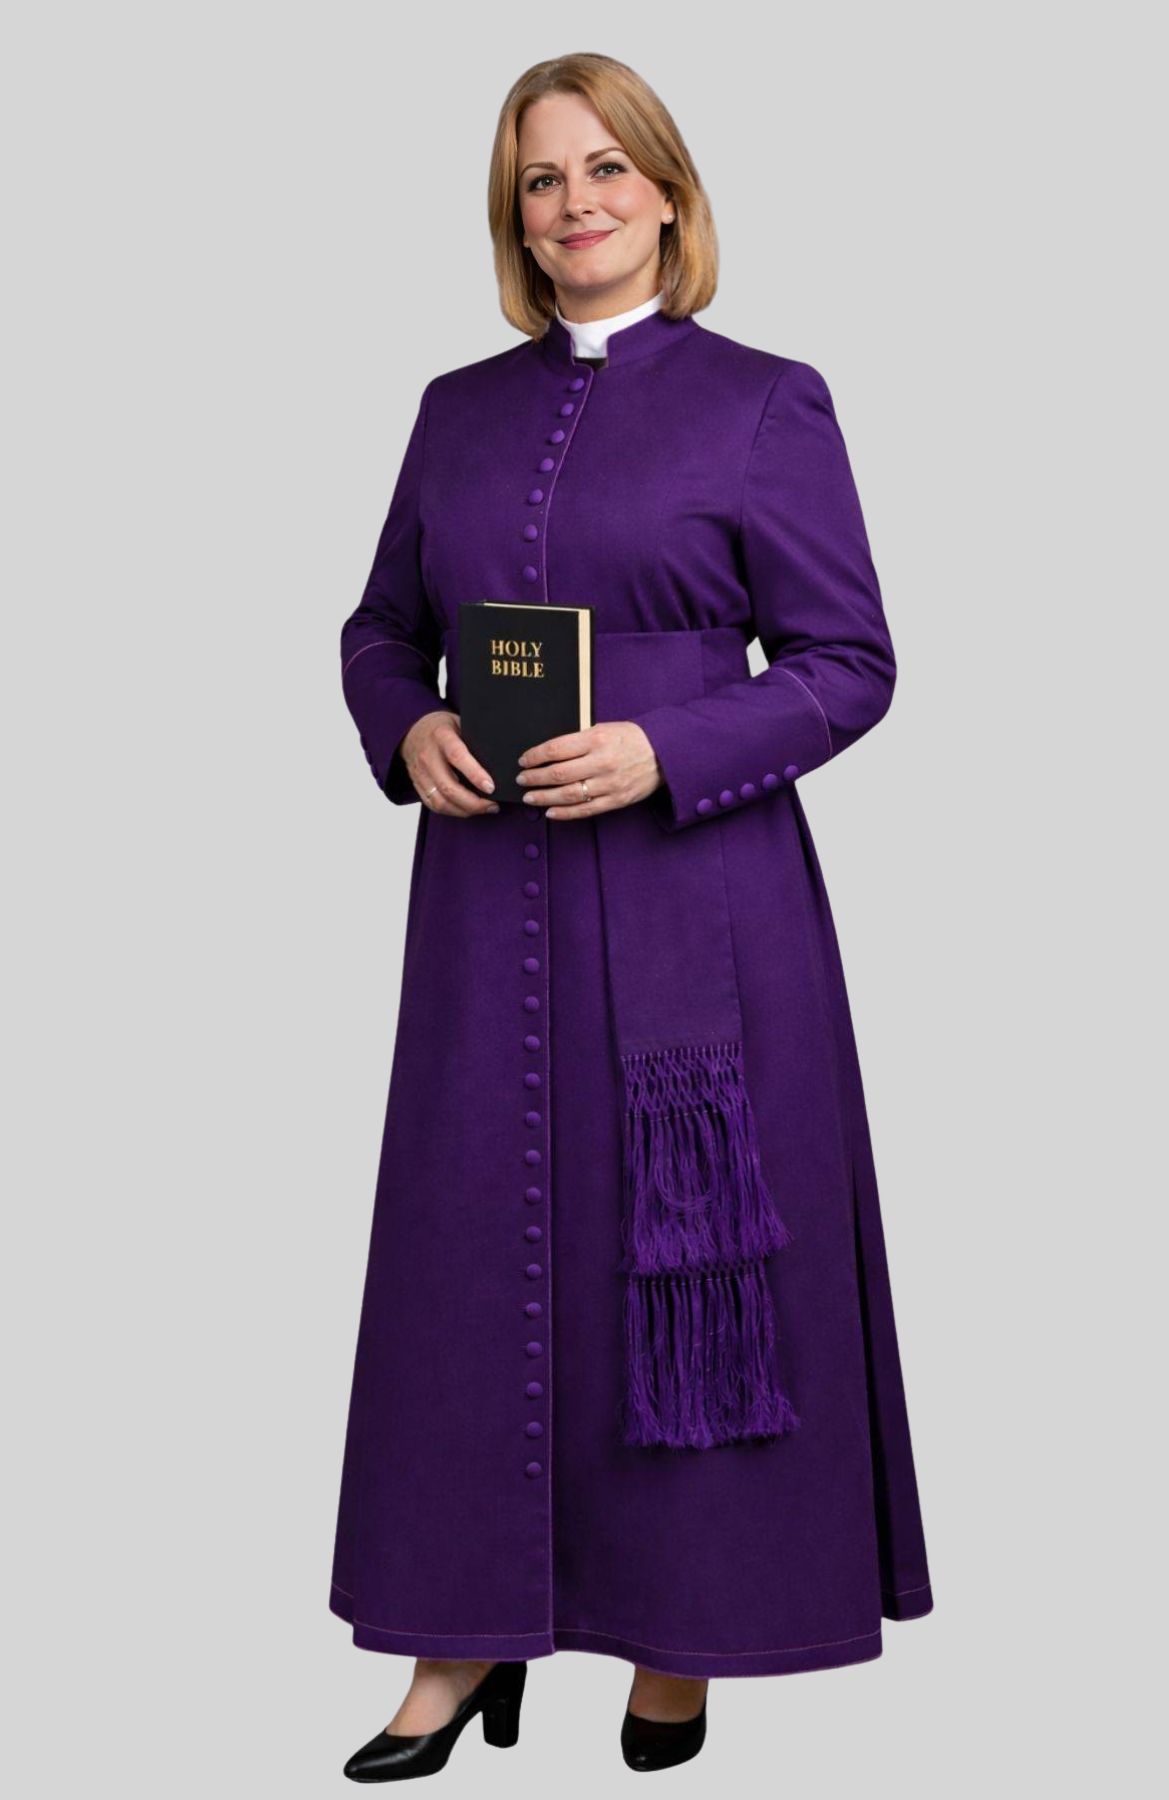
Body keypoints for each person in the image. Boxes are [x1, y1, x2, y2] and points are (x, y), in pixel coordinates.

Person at [331, 51, 934, 1782]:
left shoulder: (767, 402)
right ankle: (457, 1644)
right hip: (483, 909)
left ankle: (682, 1641)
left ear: (668, 194)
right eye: (543, 179)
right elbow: (379, 630)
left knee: (683, 1265)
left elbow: (851, 663)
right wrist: (410, 728)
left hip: (704, 911)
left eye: (608, 169)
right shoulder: (455, 410)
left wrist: (669, 747)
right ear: (513, 218)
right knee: (471, 1260)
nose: (577, 202)